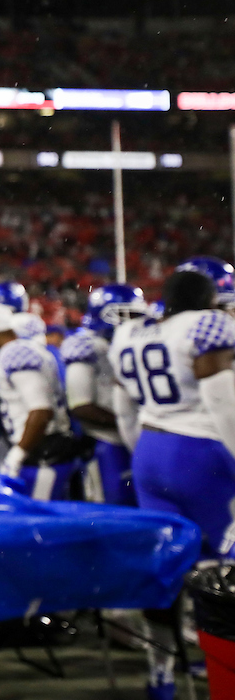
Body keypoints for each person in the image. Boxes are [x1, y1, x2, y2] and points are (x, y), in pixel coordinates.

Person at [109, 269, 235, 700]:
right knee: (223, 567)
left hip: (150, 450)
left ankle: (161, 674)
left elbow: (123, 406)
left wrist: (139, 450)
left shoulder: (134, 334)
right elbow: (221, 399)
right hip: (203, 454)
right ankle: (223, 666)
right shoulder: (207, 325)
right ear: (209, 299)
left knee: (165, 566)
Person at [0, 302, 77, 500]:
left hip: (42, 452)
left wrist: (16, 456)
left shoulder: (14, 352)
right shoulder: (29, 347)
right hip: (42, 449)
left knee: (38, 524)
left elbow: (41, 411)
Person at [63, 284, 147, 505]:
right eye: (127, 314)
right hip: (106, 444)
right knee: (114, 508)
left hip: (129, 438)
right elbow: (81, 406)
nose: (134, 321)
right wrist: (126, 421)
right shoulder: (89, 346)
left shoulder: (121, 344)